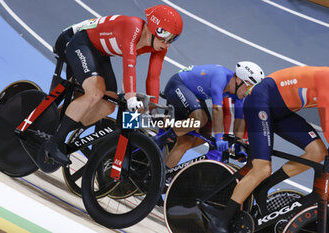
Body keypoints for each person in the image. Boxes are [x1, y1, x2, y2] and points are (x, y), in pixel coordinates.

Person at [44, 5, 183, 165]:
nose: (168, 44)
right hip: (78, 41)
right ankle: (54, 142)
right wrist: (131, 99)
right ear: (154, 28)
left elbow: (153, 77)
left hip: (99, 52)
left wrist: (153, 108)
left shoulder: (159, 45)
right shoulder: (133, 27)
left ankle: (60, 126)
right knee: (95, 92)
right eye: (166, 37)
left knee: (109, 103)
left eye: (173, 39)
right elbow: (129, 65)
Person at [208, 66, 329, 233]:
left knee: (318, 152)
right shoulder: (326, 79)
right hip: (260, 100)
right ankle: (220, 220)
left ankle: (263, 188)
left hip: (283, 111)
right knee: (262, 169)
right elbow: (327, 121)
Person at [154, 62, 265, 168]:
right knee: (200, 119)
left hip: (192, 94)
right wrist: (219, 138)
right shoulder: (220, 77)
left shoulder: (238, 94)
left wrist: (238, 144)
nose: (248, 93)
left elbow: (239, 119)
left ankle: (162, 173)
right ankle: (161, 139)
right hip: (177, 84)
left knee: (200, 137)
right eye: (249, 88)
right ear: (239, 80)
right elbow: (217, 110)